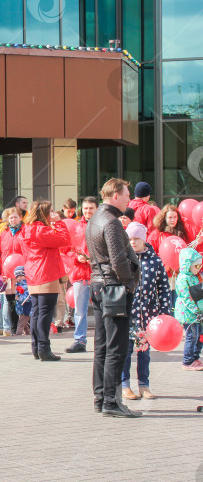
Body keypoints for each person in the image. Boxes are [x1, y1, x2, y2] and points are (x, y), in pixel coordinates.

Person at [86, 178, 141, 417]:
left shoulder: (95, 219)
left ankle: (101, 398)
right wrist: (129, 284)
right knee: (116, 347)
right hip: (113, 287)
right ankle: (110, 401)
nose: (130, 199)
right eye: (127, 194)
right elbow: (118, 260)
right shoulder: (111, 222)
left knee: (101, 346)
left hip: (99, 284)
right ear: (115, 195)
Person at [19, 200, 71, 361]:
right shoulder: (41, 230)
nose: (52, 215)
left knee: (36, 312)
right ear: (44, 214)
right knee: (45, 314)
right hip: (46, 273)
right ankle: (43, 347)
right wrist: (59, 223)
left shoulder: (28, 229)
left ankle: (36, 347)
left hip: (34, 274)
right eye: (51, 212)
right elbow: (64, 240)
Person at [123, 222, 170, 398]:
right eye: (130, 239)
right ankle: (125, 384)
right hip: (128, 314)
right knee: (126, 350)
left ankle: (144, 385)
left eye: (136, 239)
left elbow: (163, 288)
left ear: (143, 239)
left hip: (148, 316)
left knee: (144, 352)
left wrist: (164, 313)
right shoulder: (124, 259)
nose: (133, 242)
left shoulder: (155, 261)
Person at [175, 247, 203, 371]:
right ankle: (187, 361)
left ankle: (195, 357)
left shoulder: (195, 276)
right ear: (187, 265)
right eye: (196, 266)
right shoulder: (183, 278)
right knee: (192, 336)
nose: (198, 269)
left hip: (197, 313)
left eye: (199, 266)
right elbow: (186, 298)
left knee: (199, 336)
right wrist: (196, 311)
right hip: (188, 314)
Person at [0, 207, 24, 335]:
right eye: (11, 218)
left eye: (15, 217)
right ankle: (14, 328)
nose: (13, 220)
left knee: (24, 299)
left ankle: (25, 326)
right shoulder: (4, 233)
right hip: (7, 271)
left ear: (20, 217)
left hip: (23, 272)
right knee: (11, 300)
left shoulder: (25, 231)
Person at [13, 266, 32, 335]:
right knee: (24, 322)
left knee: (21, 322)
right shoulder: (18, 285)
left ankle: (18, 334)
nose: (19, 278)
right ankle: (27, 332)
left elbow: (28, 296)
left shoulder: (26, 285)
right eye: (17, 277)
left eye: (21, 276)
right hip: (20, 307)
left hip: (25, 306)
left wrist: (19, 298)